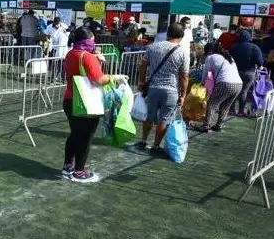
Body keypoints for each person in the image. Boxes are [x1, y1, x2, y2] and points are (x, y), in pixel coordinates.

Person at [62, 28, 126, 182]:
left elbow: (82, 71)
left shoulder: (71, 54)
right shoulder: (88, 57)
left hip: (70, 100)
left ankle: (67, 166)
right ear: (87, 41)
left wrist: (95, 59)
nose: (94, 43)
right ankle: (79, 171)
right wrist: (115, 77)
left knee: (75, 134)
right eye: (92, 39)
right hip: (86, 103)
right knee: (85, 137)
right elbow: (98, 79)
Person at [137, 22, 190, 155]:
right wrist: (183, 95)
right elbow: (184, 77)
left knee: (149, 116)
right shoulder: (182, 53)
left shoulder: (152, 47)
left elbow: (143, 66)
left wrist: (141, 82)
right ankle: (155, 146)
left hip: (153, 88)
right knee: (164, 119)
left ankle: (143, 141)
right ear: (182, 36)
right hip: (171, 90)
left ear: (167, 34)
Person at [197, 43, 242, 132]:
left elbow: (206, 73)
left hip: (225, 83)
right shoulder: (228, 57)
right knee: (225, 106)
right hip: (238, 84)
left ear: (209, 51)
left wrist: (202, 84)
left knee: (211, 104)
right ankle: (219, 125)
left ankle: (206, 125)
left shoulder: (211, 57)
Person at [229, 28, 264, 117]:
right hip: (249, 73)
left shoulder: (234, 47)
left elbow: (229, 59)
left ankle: (232, 110)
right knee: (244, 91)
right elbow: (260, 62)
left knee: (234, 90)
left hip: (235, 72)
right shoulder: (255, 48)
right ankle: (241, 111)